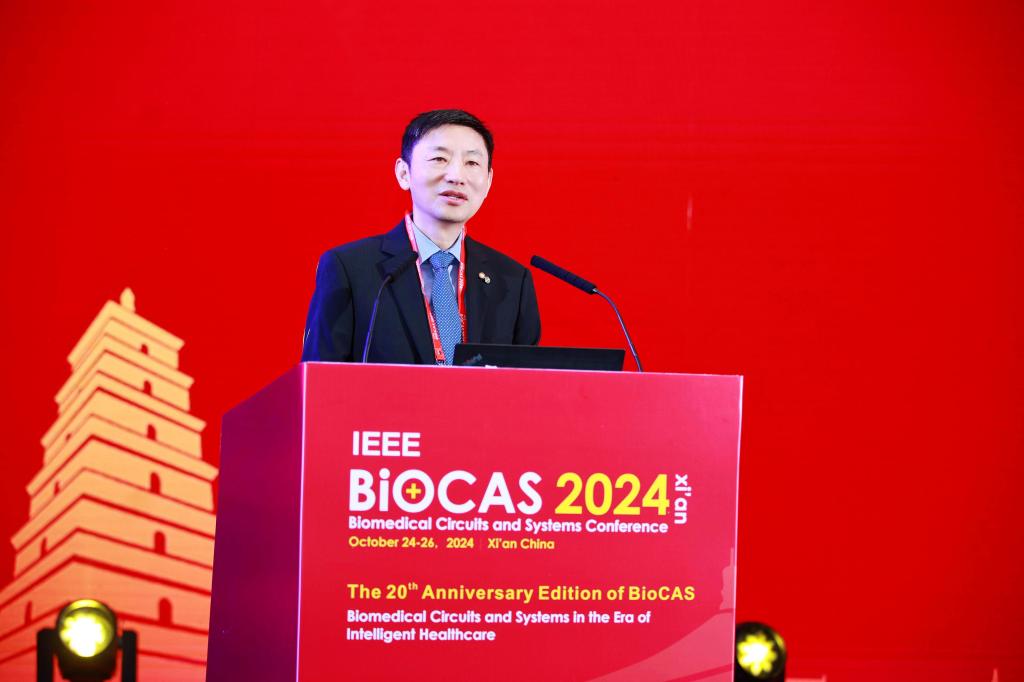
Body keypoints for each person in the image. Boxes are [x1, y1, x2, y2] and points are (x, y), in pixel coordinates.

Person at [301, 109, 541, 364]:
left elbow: (525, 382)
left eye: (472, 163)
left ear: (489, 181)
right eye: (439, 159)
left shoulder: (513, 281)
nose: (456, 176)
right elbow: (319, 377)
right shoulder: (351, 269)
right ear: (404, 173)